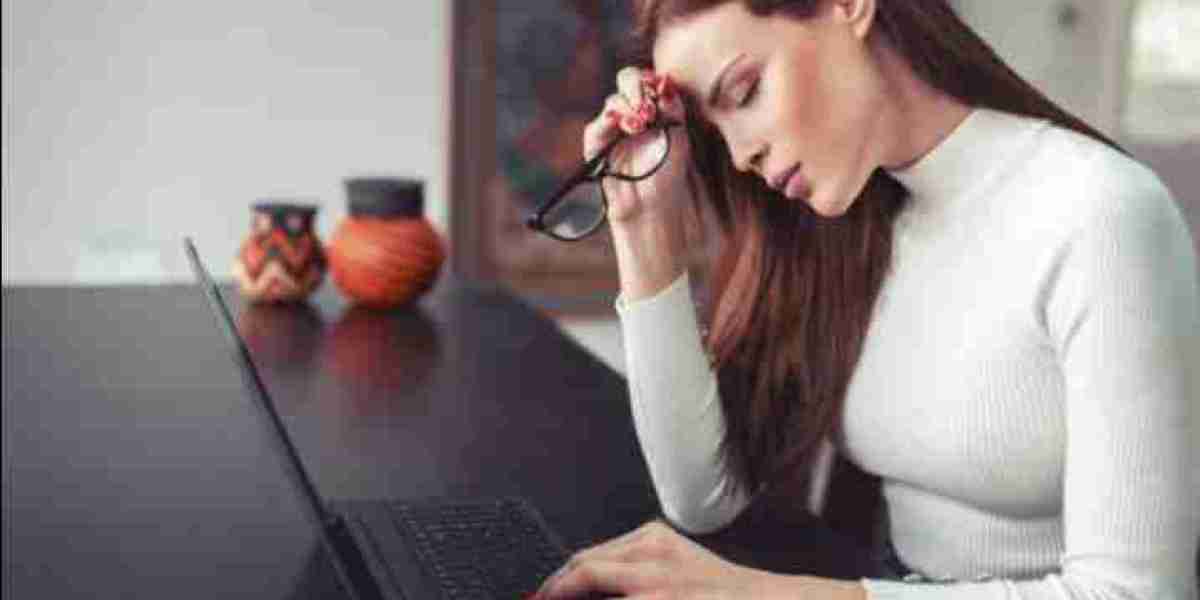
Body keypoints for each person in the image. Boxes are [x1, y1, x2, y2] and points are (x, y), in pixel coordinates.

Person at [532, 0, 1199, 598]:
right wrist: (643, 224)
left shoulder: (1101, 213)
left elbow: (1137, 594)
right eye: (715, 126)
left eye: (745, 91)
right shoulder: (842, 225)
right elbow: (701, 499)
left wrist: (762, 595)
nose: (739, 156)